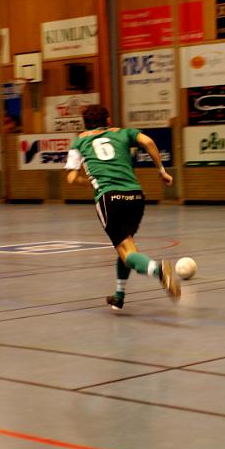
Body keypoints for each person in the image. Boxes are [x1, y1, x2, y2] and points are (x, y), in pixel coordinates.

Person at [65, 104, 180, 309]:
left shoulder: (79, 141)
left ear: (85, 124)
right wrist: (161, 170)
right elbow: (148, 141)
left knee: (126, 251)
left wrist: (87, 181)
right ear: (108, 120)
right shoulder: (124, 133)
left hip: (109, 197)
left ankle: (159, 270)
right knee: (127, 246)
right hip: (135, 196)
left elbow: (71, 178)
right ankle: (119, 295)